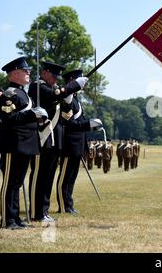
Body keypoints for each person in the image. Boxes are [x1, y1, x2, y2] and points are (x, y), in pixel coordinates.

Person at [27, 61, 88, 222]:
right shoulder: (37, 86)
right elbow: (52, 96)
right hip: (43, 138)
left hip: (54, 140)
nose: (55, 79)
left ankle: (43, 211)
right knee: (39, 176)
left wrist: (68, 99)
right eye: (54, 76)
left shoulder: (53, 88)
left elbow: (64, 111)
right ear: (45, 72)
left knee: (48, 177)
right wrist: (73, 85)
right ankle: (35, 212)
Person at [0, 56, 47, 229]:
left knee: (17, 183)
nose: (28, 73)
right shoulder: (9, 94)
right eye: (24, 70)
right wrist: (32, 114)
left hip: (27, 143)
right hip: (14, 143)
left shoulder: (25, 94)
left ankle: (15, 218)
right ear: (14, 74)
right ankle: (7, 220)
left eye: (28, 70)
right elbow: (8, 119)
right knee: (10, 184)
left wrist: (40, 119)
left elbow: (28, 119)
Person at [57, 69, 103, 215]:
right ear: (72, 80)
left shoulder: (75, 99)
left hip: (78, 145)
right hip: (68, 145)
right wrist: (87, 124)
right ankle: (64, 206)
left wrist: (91, 126)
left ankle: (69, 205)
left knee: (71, 178)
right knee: (64, 178)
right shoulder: (67, 99)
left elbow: (78, 123)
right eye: (79, 79)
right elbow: (68, 124)